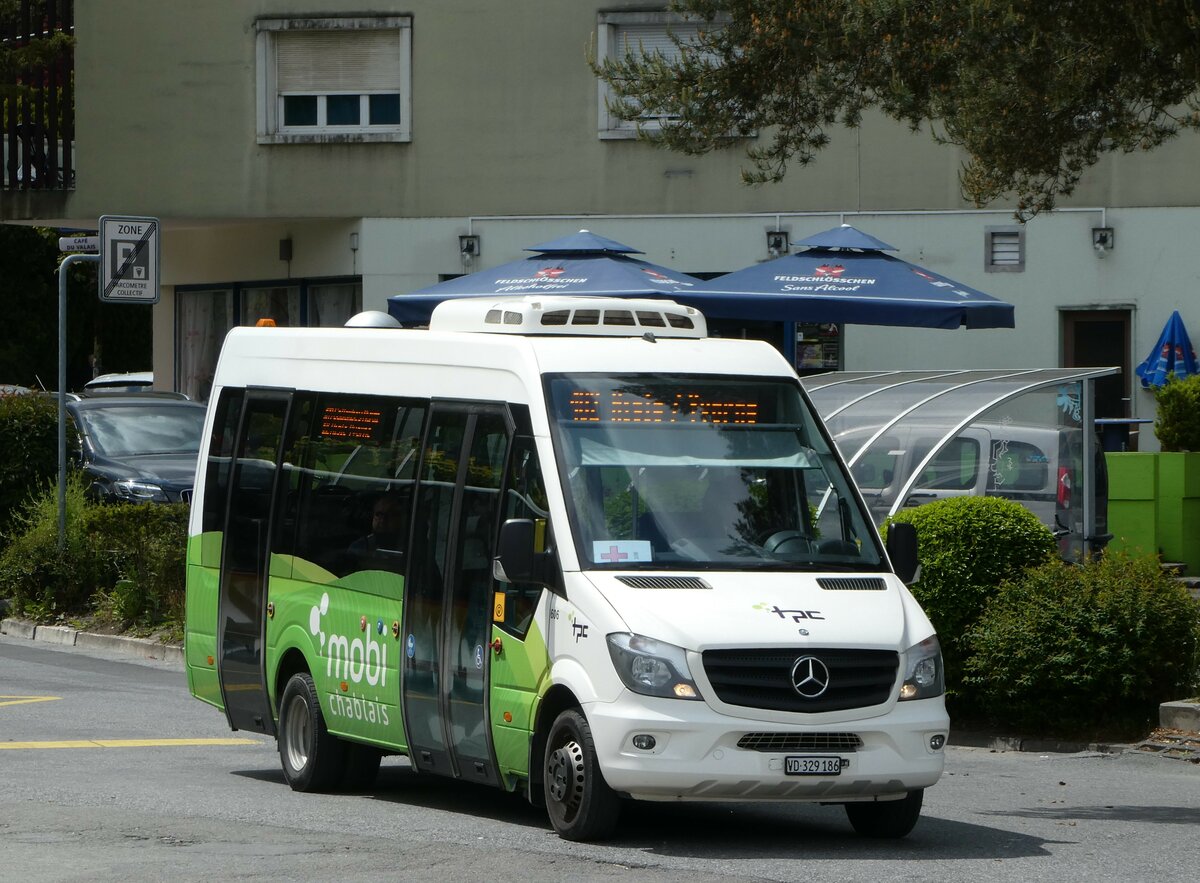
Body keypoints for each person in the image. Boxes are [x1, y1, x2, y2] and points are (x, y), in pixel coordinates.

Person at [348, 489, 408, 571]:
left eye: (390, 515)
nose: (382, 520)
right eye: (379, 515)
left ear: (401, 519)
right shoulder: (359, 548)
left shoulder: (410, 548)